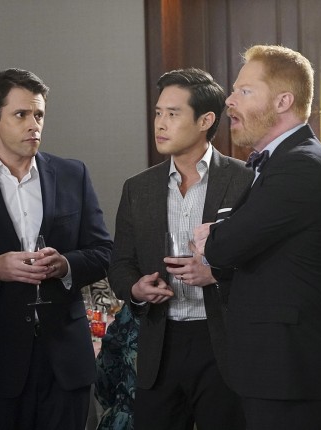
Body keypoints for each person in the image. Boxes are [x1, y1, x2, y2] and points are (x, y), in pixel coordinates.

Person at [0, 68, 113, 430]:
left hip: (65, 361)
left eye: (39, 115)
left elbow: (103, 252)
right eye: (21, 114)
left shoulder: (73, 174)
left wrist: (66, 265)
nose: (34, 125)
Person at [194, 45, 321, 430]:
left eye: (244, 91)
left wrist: (214, 237)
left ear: (283, 101)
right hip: (274, 366)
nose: (229, 100)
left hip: (288, 368)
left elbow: (224, 248)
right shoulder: (286, 161)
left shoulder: (302, 166)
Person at [108, 68, 251, 430]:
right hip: (160, 343)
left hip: (223, 344)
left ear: (205, 120)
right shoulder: (137, 188)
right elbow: (120, 265)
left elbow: (263, 263)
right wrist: (137, 289)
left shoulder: (244, 180)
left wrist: (215, 274)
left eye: (173, 114)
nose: (160, 123)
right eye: (158, 113)